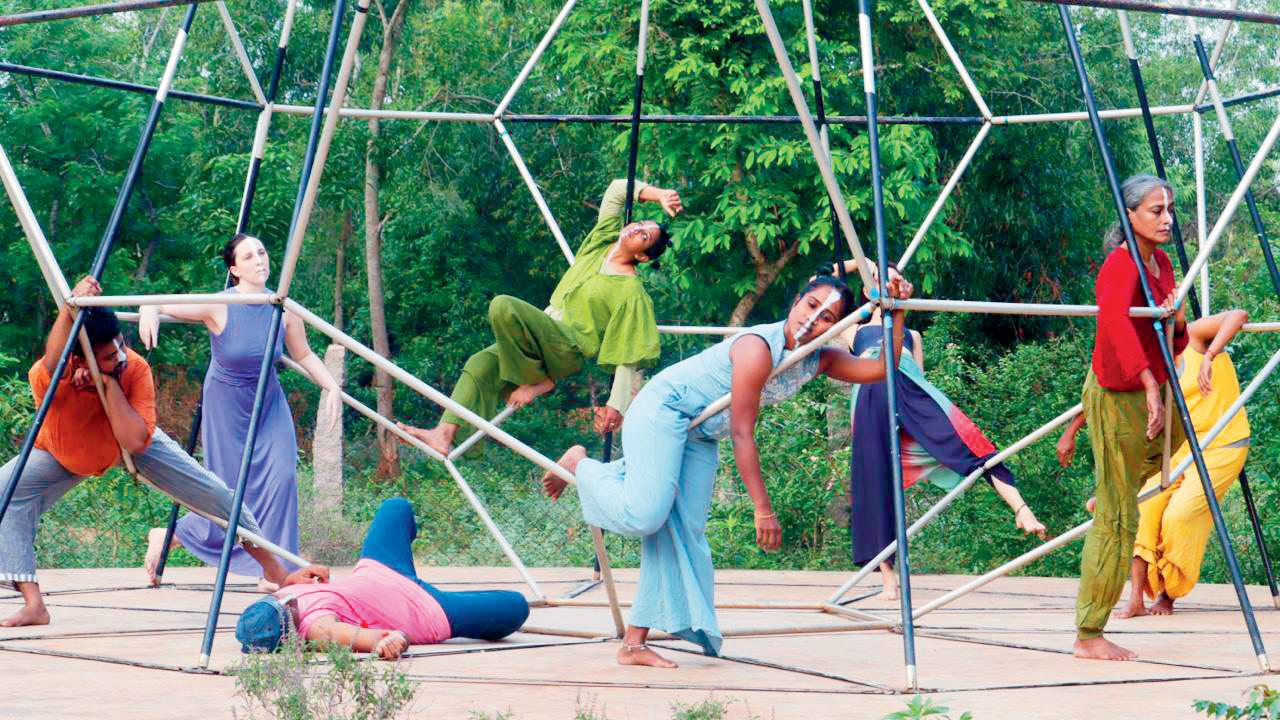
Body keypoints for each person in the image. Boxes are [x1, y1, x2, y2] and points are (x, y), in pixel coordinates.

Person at [539, 271, 913, 668]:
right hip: (667, 410)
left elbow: (881, 370)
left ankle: (634, 643)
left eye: (826, 317)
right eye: (810, 305)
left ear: (837, 326)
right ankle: (581, 465)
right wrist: (762, 507)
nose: (812, 319)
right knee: (646, 514)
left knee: (684, 532)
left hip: (700, 434)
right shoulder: (757, 348)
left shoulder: (818, 357)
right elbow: (741, 431)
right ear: (795, 301)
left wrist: (897, 312)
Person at [0, 277, 307, 627]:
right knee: (6, 494)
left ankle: (278, 573)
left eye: (119, 346)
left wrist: (108, 383)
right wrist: (70, 307)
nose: (118, 357)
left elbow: (135, 442)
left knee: (216, 494)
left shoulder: (134, 369)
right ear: (80, 359)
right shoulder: (56, 373)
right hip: (64, 450)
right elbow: (54, 360)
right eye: (106, 356)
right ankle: (33, 605)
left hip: (130, 442)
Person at [397, 178, 682, 456]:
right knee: (480, 364)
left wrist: (615, 406)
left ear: (643, 257)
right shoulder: (601, 242)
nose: (636, 229)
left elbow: (627, 355)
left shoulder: (631, 291)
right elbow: (617, 189)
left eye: (644, 236)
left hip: (566, 348)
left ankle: (539, 382)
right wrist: (658, 195)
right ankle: (443, 434)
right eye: (640, 224)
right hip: (539, 334)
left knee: (503, 306)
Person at [138, 234, 342, 590]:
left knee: (282, 478)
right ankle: (173, 535)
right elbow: (163, 302)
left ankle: (274, 568)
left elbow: (304, 354)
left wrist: (332, 387)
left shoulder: (283, 307)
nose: (259, 260)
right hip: (227, 405)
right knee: (228, 492)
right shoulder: (220, 305)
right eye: (248, 256)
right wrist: (149, 309)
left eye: (261, 252)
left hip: (268, 402)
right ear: (234, 269)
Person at [841, 262, 1047, 601]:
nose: (887, 285)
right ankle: (889, 579)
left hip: (910, 388)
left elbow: (920, 376)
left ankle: (1022, 510)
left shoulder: (913, 335)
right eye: (878, 280)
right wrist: (860, 262)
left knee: (971, 440)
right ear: (868, 289)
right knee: (876, 482)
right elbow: (820, 286)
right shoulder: (853, 329)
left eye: (894, 280)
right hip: (871, 392)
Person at [1058, 308, 1249, 618]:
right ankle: (1136, 598)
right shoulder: (1150, 365)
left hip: (1222, 442)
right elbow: (1106, 390)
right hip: (1182, 446)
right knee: (1145, 511)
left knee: (1178, 517)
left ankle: (1168, 593)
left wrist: (1211, 358)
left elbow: (1239, 315)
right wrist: (1070, 432)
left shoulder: (1195, 338)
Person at [1070, 174, 1188, 662]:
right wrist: (1147, 384)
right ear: (1131, 217)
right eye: (1155, 210)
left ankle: (1111, 487)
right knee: (1121, 518)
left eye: (1170, 210)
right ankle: (1089, 633)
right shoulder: (1120, 266)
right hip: (1119, 392)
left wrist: (1176, 321)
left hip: (1148, 388)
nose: (1167, 219)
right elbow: (1115, 327)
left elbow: (1172, 339)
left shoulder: (1160, 264)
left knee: (1180, 436)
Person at [235, 498, 529, 658]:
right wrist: (388, 642)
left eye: (280, 598)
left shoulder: (286, 598)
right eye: (287, 603)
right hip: (428, 610)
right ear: (291, 629)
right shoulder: (319, 628)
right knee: (516, 606)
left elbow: (290, 590)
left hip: (378, 569)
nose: (288, 597)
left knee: (396, 507)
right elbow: (378, 639)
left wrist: (293, 580)